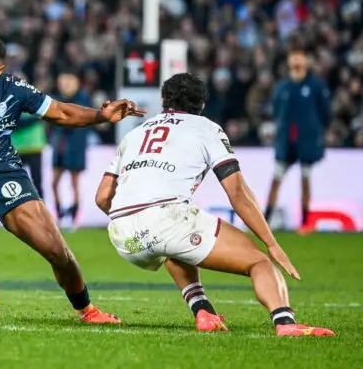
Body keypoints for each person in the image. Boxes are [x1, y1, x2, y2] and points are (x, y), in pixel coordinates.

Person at [0, 34, 144, 322]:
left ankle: (87, 310)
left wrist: (101, 116)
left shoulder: (14, 89)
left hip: (5, 177)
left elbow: (60, 112)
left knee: (56, 251)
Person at [95, 73, 334, 336]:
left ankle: (204, 311)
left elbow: (102, 198)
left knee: (173, 246)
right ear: (202, 105)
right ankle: (286, 323)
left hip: (125, 239)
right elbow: (238, 194)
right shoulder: (207, 128)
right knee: (259, 262)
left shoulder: (134, 134)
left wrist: (135, 219)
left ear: (163, 100)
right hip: (166, 220)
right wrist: (271, 243)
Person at [264, 40, 331, 232]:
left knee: (305, 180)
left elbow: (326, 114)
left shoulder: (316, 86)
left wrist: (315, 132)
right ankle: (266, 220)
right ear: (289, 60)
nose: (297, 60)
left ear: (307, 60)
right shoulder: (282, 87)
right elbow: (276, 111)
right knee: (276, 180)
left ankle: (305, 222)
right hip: (286, 143)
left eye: (300, 56)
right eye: (294, 56)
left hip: (306, 143)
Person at [49, 70, 90, 230]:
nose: (65, 85)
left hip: (75, 147)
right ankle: (59, 214)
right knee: (54, 183)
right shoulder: (57, 99)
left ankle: (74, 217)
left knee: (74, 183)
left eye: (68, 82)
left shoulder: (82, 99)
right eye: (63, 82)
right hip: (60, 146)